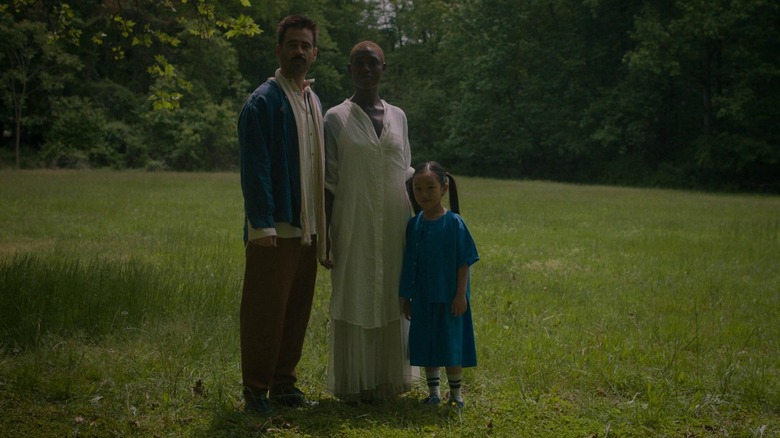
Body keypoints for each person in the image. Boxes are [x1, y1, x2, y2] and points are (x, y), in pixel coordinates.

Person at [237, 14, 326, 416]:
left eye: (306, 45)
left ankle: (284, 383)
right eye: (292, 44)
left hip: (306, 225)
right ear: (278, 50)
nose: (299, 52)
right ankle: (256, 390)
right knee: (264, 311)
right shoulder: (263, 101)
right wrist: (262, 223)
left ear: (315, 53)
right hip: (275, 227)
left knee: (296, 310)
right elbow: (255, 168)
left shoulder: (312, 99)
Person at [321, 41, 416, 402]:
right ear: (349, 69)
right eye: (358, 63)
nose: (365, 69)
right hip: (353, 221)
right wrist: (327, 237)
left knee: (392, 293)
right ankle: (354, 383)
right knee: (355, 292)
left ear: (383, 68)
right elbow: (329, 183)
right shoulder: (335, 118)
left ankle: (391, 380)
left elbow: (406, 172)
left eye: (372, 63)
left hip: (395, 224)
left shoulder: (399, 117)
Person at [399, 161, 479, 409]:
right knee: (427, 342)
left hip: (448, 297)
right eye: (418, 188)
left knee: (450, 343)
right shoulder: (414, 224)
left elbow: (463, 261)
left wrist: (460, 295)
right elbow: (408, 262)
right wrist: (406, 296)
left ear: (443, 188)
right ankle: (433, 392)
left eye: (430, 188)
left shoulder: (454, 223)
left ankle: (456, 395)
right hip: (422, 295)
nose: (424, 194)